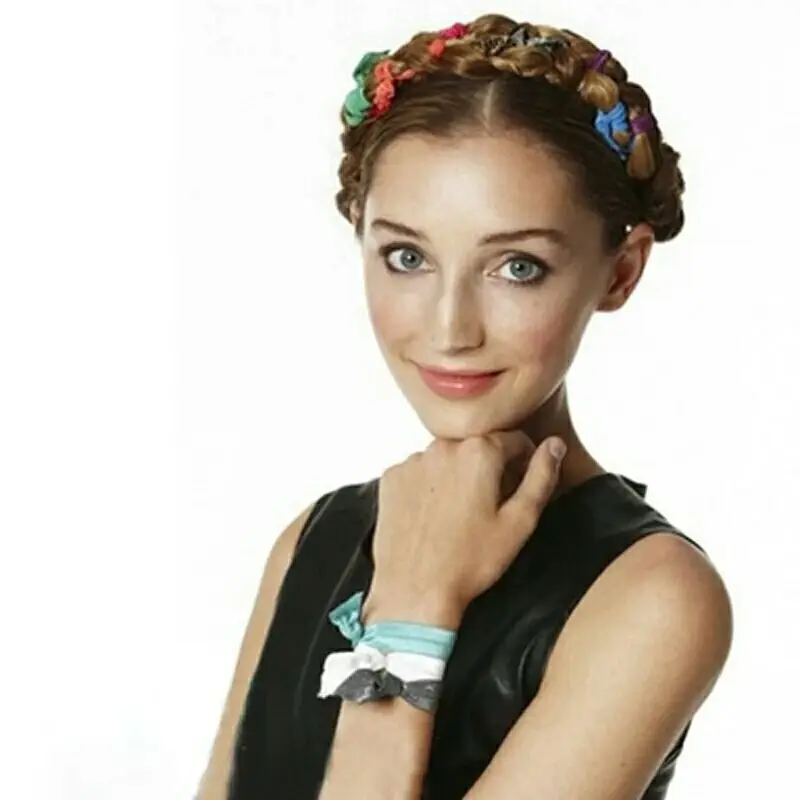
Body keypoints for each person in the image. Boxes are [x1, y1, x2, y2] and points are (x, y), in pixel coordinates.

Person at [196, 14, 733, 800]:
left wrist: (413, 612)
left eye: (517, 266)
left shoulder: (653, 597)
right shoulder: (313, 538)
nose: (450, 329)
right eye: (406, 256)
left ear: (620, 271)